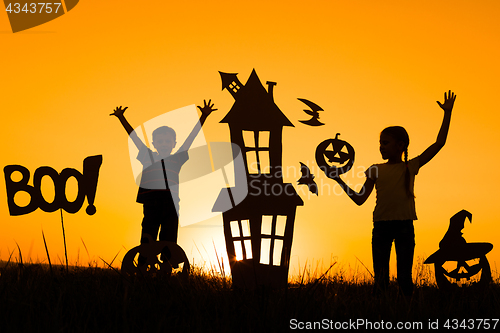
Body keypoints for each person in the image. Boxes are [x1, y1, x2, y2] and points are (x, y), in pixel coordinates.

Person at [324, 91, 456, 297]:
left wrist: (447, 114)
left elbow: (439, 144)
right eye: (380, 143)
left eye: (385, 143)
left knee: (404, 278)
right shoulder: (375, 169)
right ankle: (381, 313)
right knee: (381, 280)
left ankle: (406, 313)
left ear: (400, 145)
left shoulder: (410, 167)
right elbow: (360, 199)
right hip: (381, 227)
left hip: (405, 226)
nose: (381, 147)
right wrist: (339, 180)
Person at [110, 100, 217, 260]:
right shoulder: (148, 156)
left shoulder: (177, 158)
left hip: (171, 203)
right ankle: (144, 262)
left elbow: (190, 139)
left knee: (169, 234)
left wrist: (204, 116)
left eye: (168, 141)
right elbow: (134, 138)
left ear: (174, 144)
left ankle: (167, 263)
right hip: (151, 202)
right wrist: (121, 118)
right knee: (148, 232)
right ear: (154, 143)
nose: (164, 144)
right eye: (160, 141)